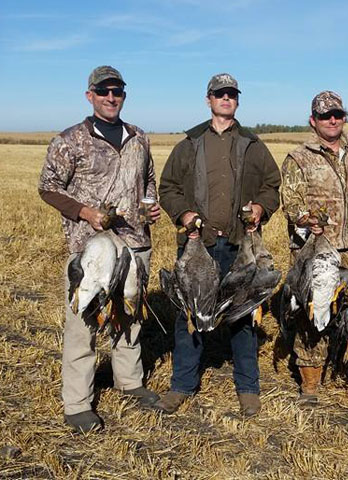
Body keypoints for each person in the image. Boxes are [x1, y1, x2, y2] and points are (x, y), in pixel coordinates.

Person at [38, 65, 161, 433]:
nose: (111, 97)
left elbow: (149, 180)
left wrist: (150, 204)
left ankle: (129, 381)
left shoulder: (138, 137)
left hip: (135, 242)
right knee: (84, 321)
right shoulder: (70, 139)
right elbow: (47, 187)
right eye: (104, 91)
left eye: (117, 91)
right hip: (91, 247)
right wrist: (83, 212)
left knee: (131, 313)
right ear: (90, 95)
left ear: (124, 95)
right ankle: (77, 402)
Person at [155, 73, 281, 417]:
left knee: (243, 316)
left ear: (237, 101)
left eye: (231, 94)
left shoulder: (253, 145)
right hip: (199, 244)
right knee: (189, 316)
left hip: (240, 244)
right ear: (208, 99)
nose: (226, 98)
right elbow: (168, 189)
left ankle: (247, 388)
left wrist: (260, 208)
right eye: (219, 94)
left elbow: (273, 186)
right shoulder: (190, 143)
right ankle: (182, 385)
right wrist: (182, 214)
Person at [280, 91, 348, 405]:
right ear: (313, 121)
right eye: (325, 115)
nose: (333, 120)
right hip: (315, 248)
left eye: (338, 114)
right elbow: (291, 204)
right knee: (312, 313)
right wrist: (307, 219)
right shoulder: (299, 157)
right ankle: (310, 381)